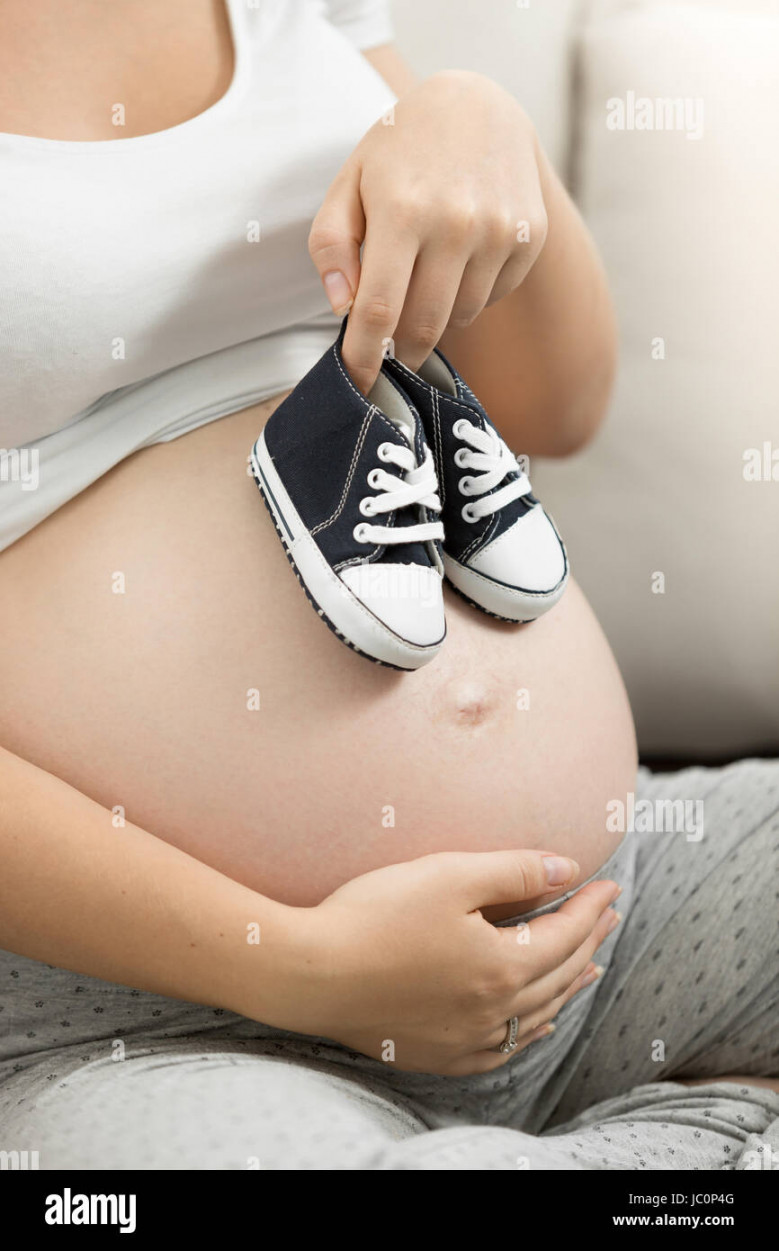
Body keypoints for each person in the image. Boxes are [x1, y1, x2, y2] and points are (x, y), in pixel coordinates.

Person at [0, 0, 775, 1170]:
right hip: (168, 1018)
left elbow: (554, 402)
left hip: (602, 921)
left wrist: (484, 128)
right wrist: (297, 962)